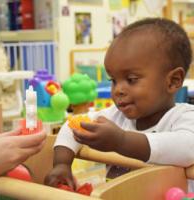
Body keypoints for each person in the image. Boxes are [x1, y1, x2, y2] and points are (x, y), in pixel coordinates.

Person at [44, 18, 194, 191]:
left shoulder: (184, 118)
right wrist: (62, 164)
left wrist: (121, 141)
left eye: (131, 80)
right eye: (113, 80)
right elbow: (73, 125)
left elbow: (187, 147)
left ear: (173, 81)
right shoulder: (115, 116)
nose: (118, 90)